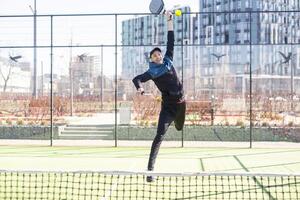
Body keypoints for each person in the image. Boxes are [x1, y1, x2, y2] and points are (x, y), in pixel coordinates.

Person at [132, 11, 186, 182]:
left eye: (159, 53)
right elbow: (137, 79)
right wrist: (140, 89)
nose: (158, 55)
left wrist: (169, 20)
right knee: (159, 135)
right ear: (151, 59)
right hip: (168, 107)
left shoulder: (169, 60)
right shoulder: (152, 72)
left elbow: (171, 40)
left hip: (182, 103)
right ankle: (150, 171)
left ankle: (178, 122)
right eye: (154, 55)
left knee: (179, 127)